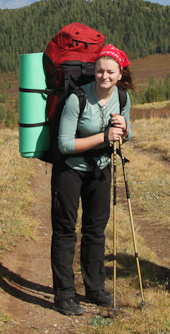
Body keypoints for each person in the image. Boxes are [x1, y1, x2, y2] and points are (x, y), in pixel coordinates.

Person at [51, 44, 134, 316]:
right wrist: (104, 137)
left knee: (95, 231)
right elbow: (63, 145)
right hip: (70, 170)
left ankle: (95, 288)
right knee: (65, 231)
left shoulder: (122, 98)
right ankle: (64, 294)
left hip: (101, 169)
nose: (104, 76)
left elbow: (128, 132)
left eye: (110, 72)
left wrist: (123, 130)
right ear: (94, 72)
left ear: (120, 74)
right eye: (100, 71)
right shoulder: (77, 98)